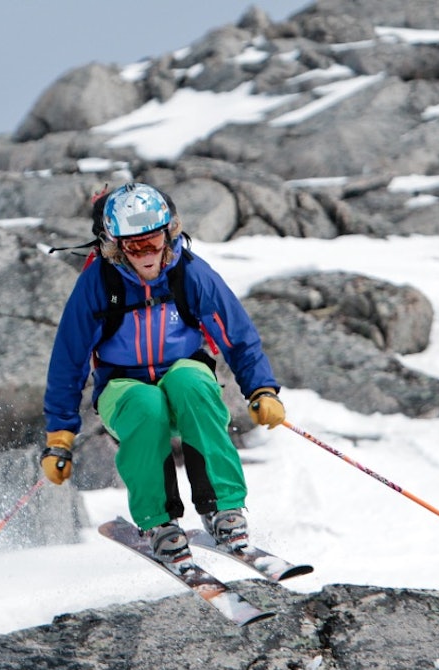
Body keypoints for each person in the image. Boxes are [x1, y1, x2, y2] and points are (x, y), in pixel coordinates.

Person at [40, 182, 285, 565]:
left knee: (189, 382)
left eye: (153, 242)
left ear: (168, 234)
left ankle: (224, 510)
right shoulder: (98, 284)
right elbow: (67, 362)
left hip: (184, 380)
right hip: (124, 390)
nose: (147, 254)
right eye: (135, 246)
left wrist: (262, 390)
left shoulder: (189, 274)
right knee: (146, 403)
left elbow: (238, 336)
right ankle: (159, 523)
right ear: (116, 244)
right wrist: (60, 435)